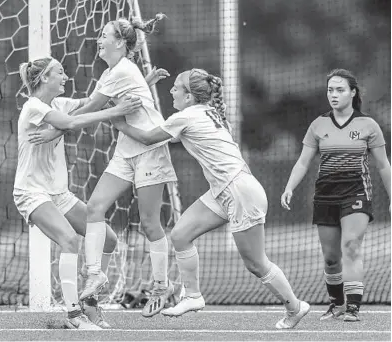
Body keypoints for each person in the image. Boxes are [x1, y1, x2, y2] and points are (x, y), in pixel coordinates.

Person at [110, 68, 310, 329]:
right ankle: (193, 296)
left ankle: (295, 307)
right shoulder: (206, 111)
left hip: (240, 192)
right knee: (180, 235)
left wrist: (119, 122)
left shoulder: (186, 116)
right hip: (224, 191)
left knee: (256, 263)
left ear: (190, 97)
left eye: (176, 88)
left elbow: (149, 138)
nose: (171, 91)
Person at [28, 14, 178, 318]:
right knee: (95, 207)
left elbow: (89, 111)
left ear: (120, 43)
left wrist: (53, 131)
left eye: (105, 35)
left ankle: (162, 286)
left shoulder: (120, 70)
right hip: (127, 150)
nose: (99, 39)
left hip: (150, 150)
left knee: (150, 224)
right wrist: (144, 83)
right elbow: (96, 107)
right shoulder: (115, 72)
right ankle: (94, 275)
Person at [14, 56, 141, 329]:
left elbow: (91, 102)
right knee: (70, 240)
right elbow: (71, 123)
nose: (65, 76)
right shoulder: (33, 107)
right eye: (60, 72)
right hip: (31, 193)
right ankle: (74, 315)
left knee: (107, 238)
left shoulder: (58, 103)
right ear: (45, 78)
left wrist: (139, 85)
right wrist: (115, 111)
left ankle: (90, 302)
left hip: (58, 194)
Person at [280, 69, 391, 322]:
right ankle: (337, 303)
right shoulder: (318, 125)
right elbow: (303, 162)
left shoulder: (368, 125)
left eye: (340, 89)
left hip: (356, 192)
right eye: (330, 89)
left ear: (353, 92)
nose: (334, 94)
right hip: (325, 195)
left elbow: (384, 165)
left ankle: (353, 307)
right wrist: (289, 187)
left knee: (351, 246)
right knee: (331, 258)